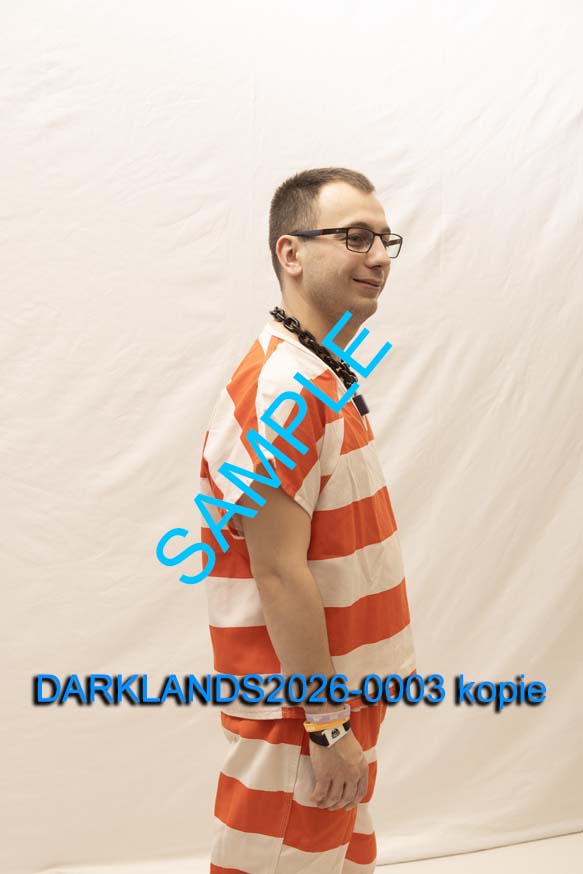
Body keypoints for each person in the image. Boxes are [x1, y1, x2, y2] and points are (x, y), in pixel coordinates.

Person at [200, 167, 417, 873]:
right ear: (290, 253)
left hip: (338, 705)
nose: (378, 256)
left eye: (383, 239)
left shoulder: (319, 372)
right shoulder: (281, 390)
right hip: (303, 718)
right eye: (354, 237)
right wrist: (325, 727)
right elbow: (277, 571)